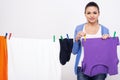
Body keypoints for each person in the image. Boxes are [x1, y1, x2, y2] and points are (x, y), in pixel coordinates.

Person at [72, 1, 110, 80]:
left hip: (100, 68)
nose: (91, 15)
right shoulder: (79, 28)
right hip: (82, 68)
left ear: (99, 13)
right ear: (85, 14)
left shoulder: (104, 30)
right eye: (88, 13)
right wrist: (76, 39)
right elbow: (74, 51)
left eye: (94, 13)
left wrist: (108, 42)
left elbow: (108, 54)